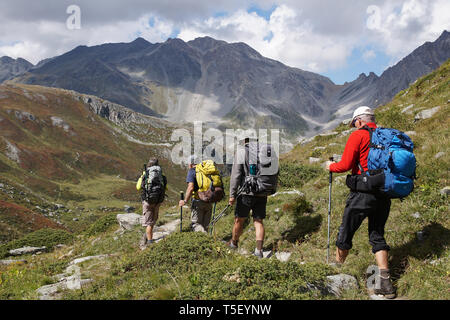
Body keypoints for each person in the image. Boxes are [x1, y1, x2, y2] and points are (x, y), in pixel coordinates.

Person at [325, 106, 396, 299]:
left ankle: (336, 273)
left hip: (362, 193)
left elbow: (346, 165)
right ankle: (386, 283)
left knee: (346, 230)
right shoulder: (386, 135)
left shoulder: (358, 136)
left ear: (359, 121)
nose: (354, 126)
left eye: (354, 123)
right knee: (377, 234)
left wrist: (330, 166)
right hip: (383, 192)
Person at [228, 138, 270, 259]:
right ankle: (259, 250)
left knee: (239, 220)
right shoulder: (264, 151)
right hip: (262, 192)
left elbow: (236, 175)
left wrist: (232, 195)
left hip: (246, 192)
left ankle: (234, 244)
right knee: (258, 221)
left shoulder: (242, 151)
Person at [179, 155, 213, 233]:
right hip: (209, 201)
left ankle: (202, 238)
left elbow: (190, 187)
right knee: (205, 225)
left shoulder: (192, 171)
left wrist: (185, 201)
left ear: (191, 164)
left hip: (198, 201)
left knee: (196, 224)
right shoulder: (206, 171)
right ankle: (206, 243)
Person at [140, 158, 166, 249]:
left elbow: (138, 187)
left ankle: (150, 242)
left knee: (149, 223)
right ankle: (148, 236)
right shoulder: (161, 175)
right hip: (158, 201)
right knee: (153, 221)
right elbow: (164, 187)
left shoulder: (146, 174)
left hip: (148, 201)